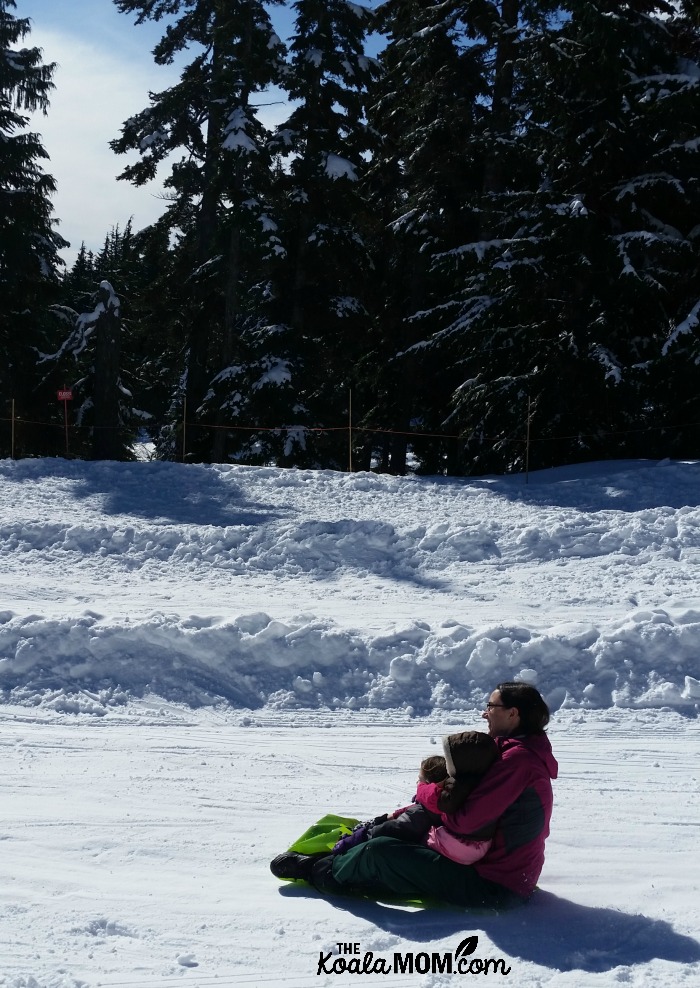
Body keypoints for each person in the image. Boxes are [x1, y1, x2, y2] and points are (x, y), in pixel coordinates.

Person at [270, 681, 557, 910]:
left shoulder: (517, 762)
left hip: (494, 886)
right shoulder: (514, 752)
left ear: (513, 714)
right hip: (496, 872)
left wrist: (428, 793)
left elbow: (465, 822)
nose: (484, 713)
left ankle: (317, 871)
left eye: (490, 706)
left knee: (380, 851)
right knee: (401, 830)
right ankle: (346, 856)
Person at [330, 732, 499, 861]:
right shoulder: (469, 786)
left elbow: (400, 827)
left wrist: (356, 839)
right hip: (476, 849)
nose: (418, 784)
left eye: (421, 781)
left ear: (432, 784)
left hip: (454, 851)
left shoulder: (437, 804)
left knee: (389, 842)